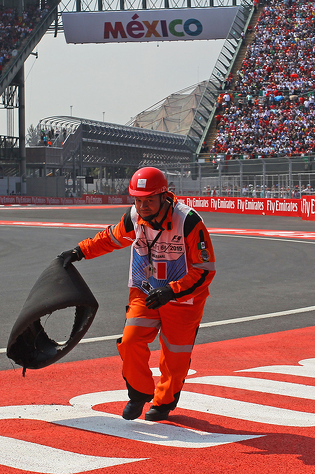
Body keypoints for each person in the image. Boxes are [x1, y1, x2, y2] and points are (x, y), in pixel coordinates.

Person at [57, 167, 216, 421]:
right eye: (138, 200)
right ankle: (139, 393)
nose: (143, 206)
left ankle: (163, 403)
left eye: (149, 200)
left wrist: (171, 291)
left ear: (165, 196)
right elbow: (110, 238)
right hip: (145, 292)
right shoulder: (133, 217)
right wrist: (79, 252)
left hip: (184, 299)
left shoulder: (189, 221)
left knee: (175, 357)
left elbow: (205, 269)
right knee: (130, 341)